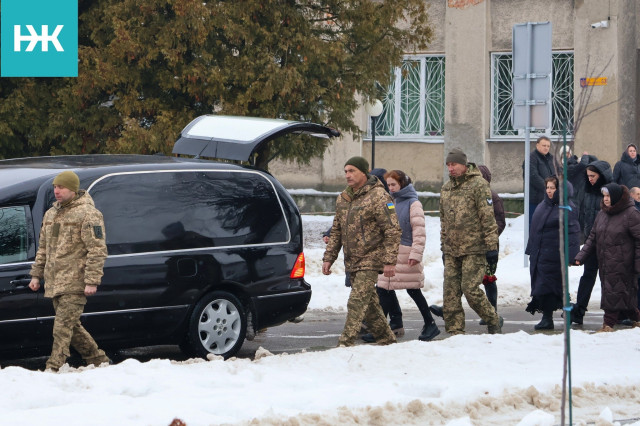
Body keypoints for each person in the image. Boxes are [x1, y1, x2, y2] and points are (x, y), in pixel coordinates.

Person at [28, 171, 111, 371]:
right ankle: (98, 360)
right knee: (71, 327)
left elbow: (97, 249)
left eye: (61, 187)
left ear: (73, 189)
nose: (57, 191)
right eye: (55, 187)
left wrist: (91, 281)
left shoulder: (88, 214)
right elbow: (44, 248)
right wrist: (36, 275)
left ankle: (54, 367)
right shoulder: (51, 214)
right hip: (55, 281)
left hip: (75, 282)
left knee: (62, 328)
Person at [322, 156, 401, 346]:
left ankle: (345, 343)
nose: (347, 175)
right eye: (346, 171)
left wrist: (389, 261)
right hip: (352, 260)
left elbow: (392, 230)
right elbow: (337, 230)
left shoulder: (379, 196)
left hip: (371, 258)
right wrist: (329, 258)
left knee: (356, 301)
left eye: (352, 171)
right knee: (371, 306)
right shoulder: (343, 198)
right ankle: (387, 339)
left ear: (364, 172)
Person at [362, 170, 440, 343]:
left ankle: (430, 323)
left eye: (394, 185)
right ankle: (381, 329)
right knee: (383, 288)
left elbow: (419, 231)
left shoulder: (414, 203)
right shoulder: (391, 201)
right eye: (388, 185)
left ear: (402, 184)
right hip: (390, 252)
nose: (390, 188)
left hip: (406, 253)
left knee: (413, 290)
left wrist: (416, 253)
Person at [439, 148, 503, 335]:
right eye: (448, 165)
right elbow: (443, 221)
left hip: (474, 248)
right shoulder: (446, 188)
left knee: (470, 290)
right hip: (452, 249)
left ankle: (493, 320)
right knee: (450, 293)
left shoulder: (478, 185)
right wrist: (444, 246)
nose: (450, 168)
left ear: (464, 165)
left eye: (454, 164)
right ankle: (455, 332)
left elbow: (487, 218)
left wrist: (491, 246)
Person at [574, 183, 640, 332]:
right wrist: (580, 257)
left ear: (616, 196)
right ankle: (637, 319)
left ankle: (608, 325)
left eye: (608, 196)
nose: (605, 199)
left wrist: (637, 264)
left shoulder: (631, 214)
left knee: (613, 293)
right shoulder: (602, 214)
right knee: (623, 297)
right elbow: (592, 238)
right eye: (604, 196)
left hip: (624, 265)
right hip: (605, 263)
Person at [525, 176, 580, 330]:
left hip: (555, 255)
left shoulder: (567, 207)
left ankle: (548, 318)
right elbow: (535, 230)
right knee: (546, 287)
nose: (549, 191)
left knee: (548, 287)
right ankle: (569, 311)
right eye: (547, 187)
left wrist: (572, 256)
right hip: (540, 255)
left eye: (552, 188)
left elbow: (573, 233)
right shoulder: (543, 205)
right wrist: (531, 249)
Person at [572, 159, 613, 324]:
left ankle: (613, 313)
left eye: (593, 176)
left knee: (607, 279)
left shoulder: (611, 191)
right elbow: (583, 213)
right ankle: (579, 310)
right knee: (588, 275)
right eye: (588, 176)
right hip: (591, 241)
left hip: (608, 244)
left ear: (601, 175)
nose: (590, 179)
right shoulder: (587, 190)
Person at [528, 136, 558, 223]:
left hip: (550, 199)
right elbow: (533, 177)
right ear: (537, 145)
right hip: (535, 200)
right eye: (544, 145)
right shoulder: (531, 158)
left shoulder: (551, 158)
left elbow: (556, 174)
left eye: (548, 146)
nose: (546, 148)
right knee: (535, 224)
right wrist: (548, 188)